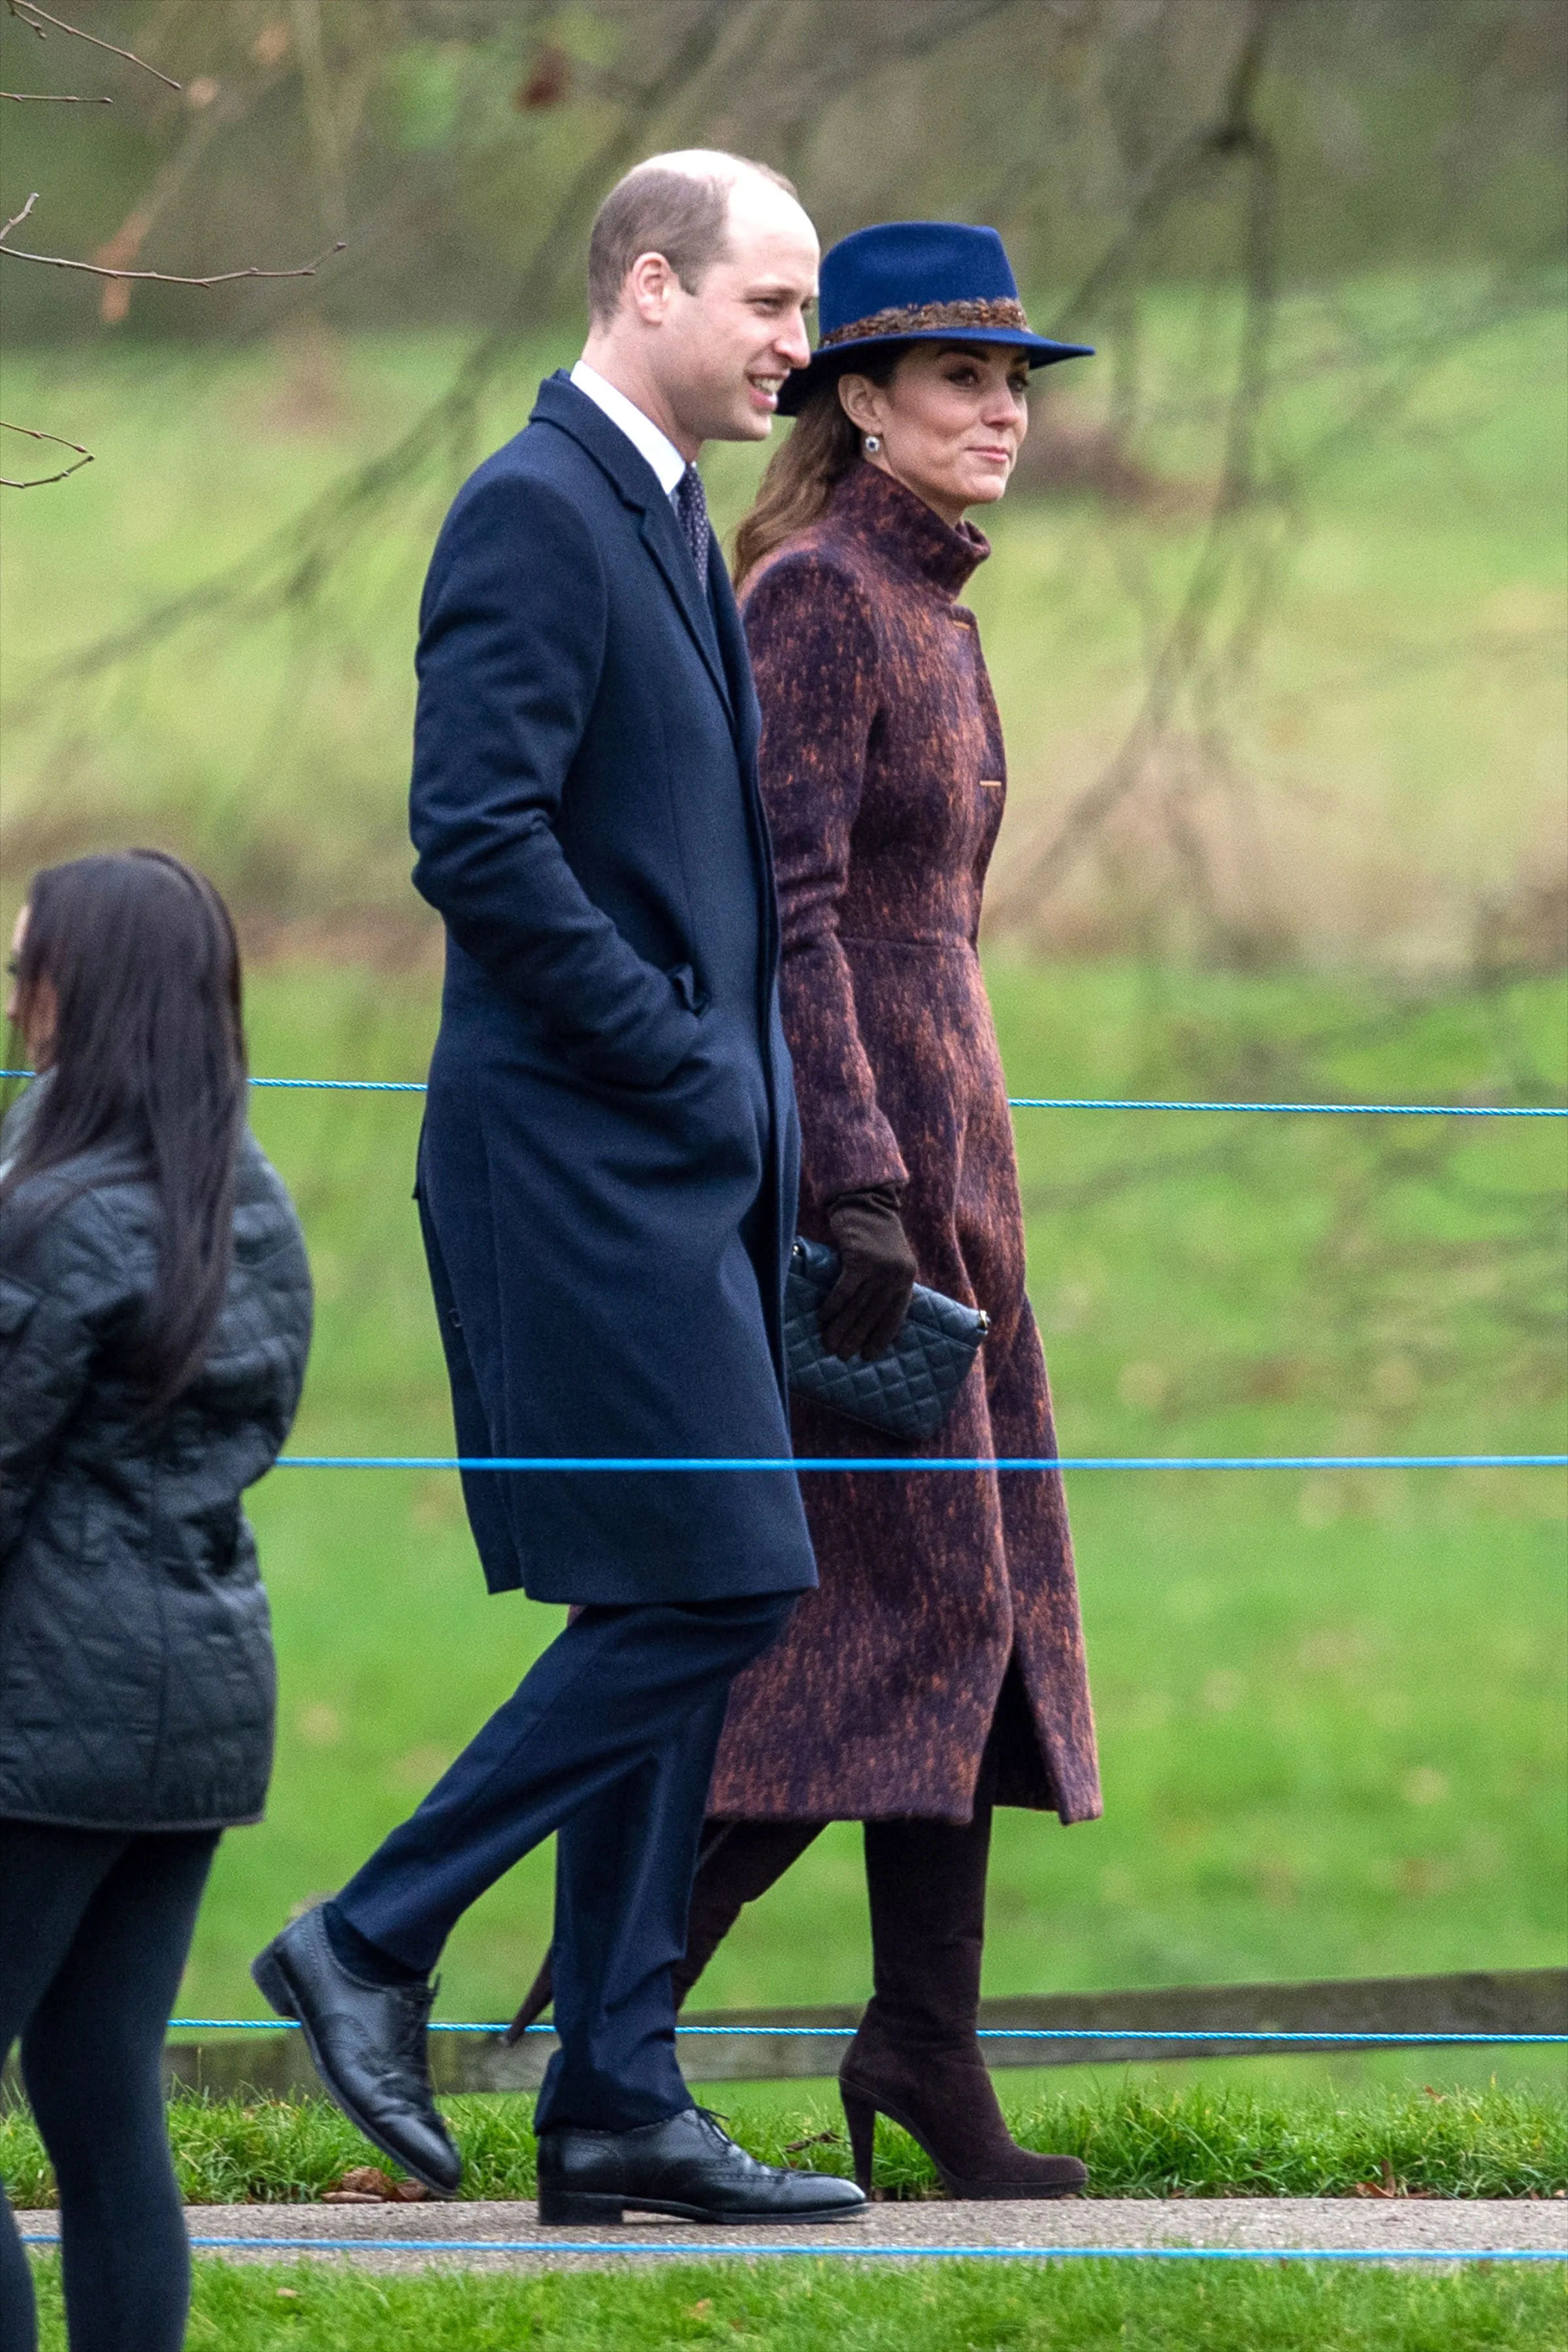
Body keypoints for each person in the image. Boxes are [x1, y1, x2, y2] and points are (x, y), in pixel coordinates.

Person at [250, 152, 864, 2230]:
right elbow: (478, 841)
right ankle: (374, 1937)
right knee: (728, 1580)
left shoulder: (669, 516)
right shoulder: (534, 508)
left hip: (670, 1170)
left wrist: (738, 1115)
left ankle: (616, 2096)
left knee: (674, 1594)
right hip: (576, 1162)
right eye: (774, 306)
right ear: (654, 282)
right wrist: (687, 1062)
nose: (803, 346)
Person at [513, 221, 1106, 2198]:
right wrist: (854, 1178)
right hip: (867, 1175)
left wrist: (947, 1170)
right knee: (858, 1627)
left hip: (960, 1153)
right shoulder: (818, 599)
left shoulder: (934, 604)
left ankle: (923, 2048)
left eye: (1018, 381)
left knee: (972, 1612)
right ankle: (603, 2031)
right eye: (962, 378)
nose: (1002, 411)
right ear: (861, 397)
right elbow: (793, 920)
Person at [0, 851, 312, 2352]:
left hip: (47, 1713)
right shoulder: (244, 1197)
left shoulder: (60, 1215)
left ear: (88, 992)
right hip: (197, 1708)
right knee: (94, 2080)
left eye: (28, 970)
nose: (14, 1000)